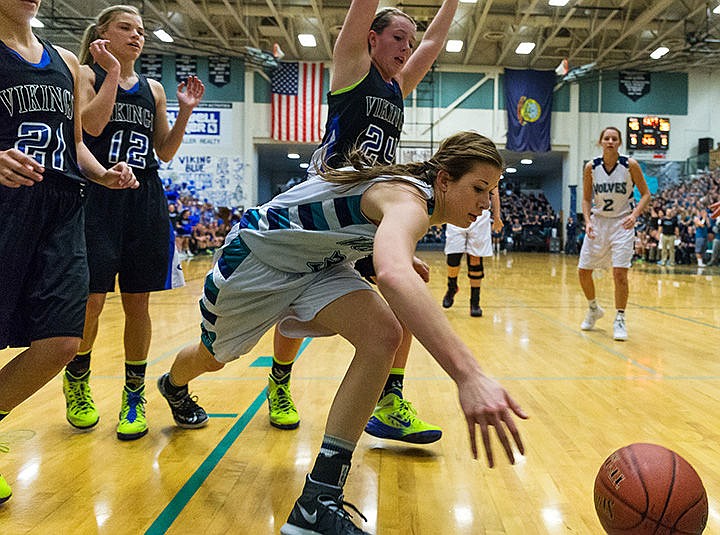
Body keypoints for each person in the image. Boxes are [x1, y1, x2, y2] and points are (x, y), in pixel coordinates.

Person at [156, 131, 527, 533]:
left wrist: (384, 257)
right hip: (257, 264)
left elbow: (351, 228)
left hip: (316, 267)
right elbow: (393, 273)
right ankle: (173, 384)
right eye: (477, 188)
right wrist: (468, 375)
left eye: (491, 191)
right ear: (443, 179)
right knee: (212, 359)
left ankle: (317, 501)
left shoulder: (414, 199)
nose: (485, 203)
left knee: (383, 334)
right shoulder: (410, 201)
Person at [264, 0, 459, 443]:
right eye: (397, 38)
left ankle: (390, 401)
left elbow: (434, 41)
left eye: (408, 42)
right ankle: (279, 381)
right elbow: (363, 11)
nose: (406, 48)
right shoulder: (353, 69)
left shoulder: (397, 87)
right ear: (372, 39)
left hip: (366, 213)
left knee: (405, 289)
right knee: (293, 301)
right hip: (325, 205)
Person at [0, 0, 138, 503]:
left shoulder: (64, 59)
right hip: (5, 205)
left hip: (62, 207)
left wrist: (101, 174)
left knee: (61, 341)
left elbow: (74, 140)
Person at [60, 5, 205, 441]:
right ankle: (78, 380)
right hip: (98, 194)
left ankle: (133, 395)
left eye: (141, 31)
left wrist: (183, 111)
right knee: (92, 301)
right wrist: (109, 73)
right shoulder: (84, 75)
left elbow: (164, 151)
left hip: (143, 198)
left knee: (138, 303)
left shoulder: (154, 88)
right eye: (126, 28)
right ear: (102, 33)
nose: (137, 36)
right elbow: (91, 125)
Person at [578, 126, 650, 341]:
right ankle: (593, 309)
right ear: (600, 142)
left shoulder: (630, 165)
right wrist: (588, 221)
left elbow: (646, 194)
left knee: (620, 273)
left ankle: (620, 317)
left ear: (619, 143)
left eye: (614, 138)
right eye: (606, 138)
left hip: (622, 223)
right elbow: (586, 199)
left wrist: (635, 215)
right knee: (583, 271)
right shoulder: (591, 167)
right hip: (598, 223)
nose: (610, 141)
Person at [442, 186, 502, 316]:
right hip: (455, 212)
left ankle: (475, 302)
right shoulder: (456, 167)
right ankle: (452, 287)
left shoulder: (489, 167)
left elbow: (495, 191)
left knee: (475, 260)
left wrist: (497, 216)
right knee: (453, 257)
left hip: (480, 214)